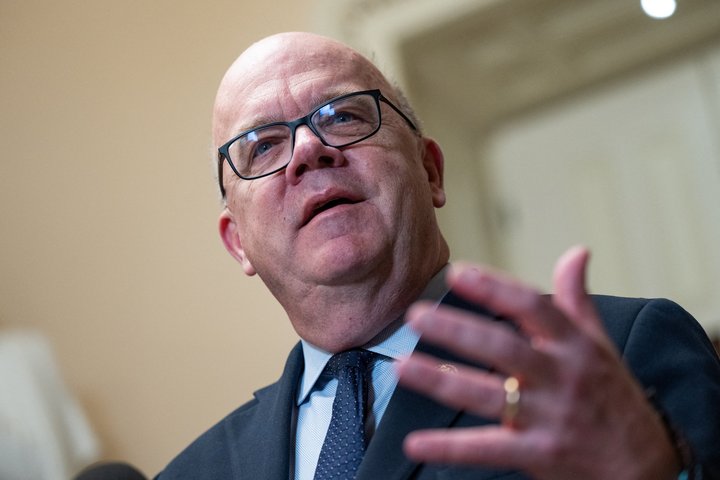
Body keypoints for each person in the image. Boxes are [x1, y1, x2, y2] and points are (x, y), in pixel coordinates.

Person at [156, 32, 720, 479]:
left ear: (430, 171)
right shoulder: (192, 473)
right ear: (238, 242)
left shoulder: (621, 354)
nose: (309, 149)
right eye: (262, 146)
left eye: (343, 115)